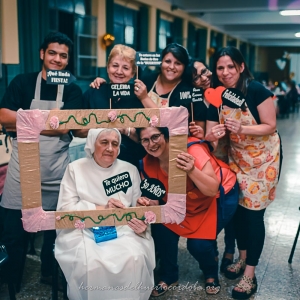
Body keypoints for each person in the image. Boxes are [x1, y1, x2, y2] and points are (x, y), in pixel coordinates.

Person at [0, 32, 83, 289]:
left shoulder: (72, 89)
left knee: (55, 234)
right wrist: (52, 122)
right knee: (13, 233)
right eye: (52, 53)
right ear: (42, 54)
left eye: (63, 56)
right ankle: (11, 281)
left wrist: (25, 120)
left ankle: (51, 274)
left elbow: (66, 126)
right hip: (20, 175)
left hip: (56, 174)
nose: (57, 59)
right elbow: (3, 117)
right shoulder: (22, 82)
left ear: (68, 61)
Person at [207, 46, 280, 299]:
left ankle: (250, 273)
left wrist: (243, 128)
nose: (225, 72)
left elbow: (270, 126)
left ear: (240, 67)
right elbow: (216, 130)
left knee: (253, 217)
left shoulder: (257, 90)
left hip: (263, 163)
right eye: (220, 67)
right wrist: (214, 135)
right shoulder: (219, 95)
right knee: (238, 214)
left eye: (230, 66)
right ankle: (241, 257)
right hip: (237, 159)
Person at [55, 128, 155, 300]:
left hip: (123, 230)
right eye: (104, 142)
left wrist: (142, 214)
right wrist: (101, 209)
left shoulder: (130, 169)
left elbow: (137, 207)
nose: (110, 148)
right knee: (90, 263)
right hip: (84, 231)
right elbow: (65, 210)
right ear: (93, 144)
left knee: (134, 257)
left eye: (115, 144)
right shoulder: (74, 169)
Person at [136, 126, 221, 296]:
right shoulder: (146, 163)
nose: (151, 144)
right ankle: (169, 276)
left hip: (203, 205)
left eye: (155, 137)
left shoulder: (192, 150)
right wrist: (146, 202)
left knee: (199, 246)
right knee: (161, 232)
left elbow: (212, 189)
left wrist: (191, 169)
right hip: (174, 206)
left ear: (166, 136)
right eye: (145, 140)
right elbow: (155, 197)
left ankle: (211, 273)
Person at [186, 58, 238, 273]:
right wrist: (205, 137)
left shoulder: (226, 90)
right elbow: (207, 138)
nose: (203, 77)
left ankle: (230, 250)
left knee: (233, 206)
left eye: (205, 71)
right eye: (196, 76)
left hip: (234, 155)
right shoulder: (194, 99)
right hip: (210, 157)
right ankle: (214, 248)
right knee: (214, 206)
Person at [90, 43, 205, 138]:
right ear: (161, 62)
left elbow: (167, 124)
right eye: (167, 61)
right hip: (144, 144)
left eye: (178, 63)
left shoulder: (189, 91)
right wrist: (106, 85)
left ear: (185, 66)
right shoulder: (146, 80)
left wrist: (144, 98)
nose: (171, 67)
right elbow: (122, 88)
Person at [83, 44, 156, 168]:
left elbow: (149, 135)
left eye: (126, 68)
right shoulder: (94, 91)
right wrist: (105, 124)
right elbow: (77, 130)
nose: (119, 71)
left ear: (133, 73)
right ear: (107, 68)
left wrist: (125, 129)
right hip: (97, 164)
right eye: (115, 66)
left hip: (129, 164)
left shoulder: (139, 96)